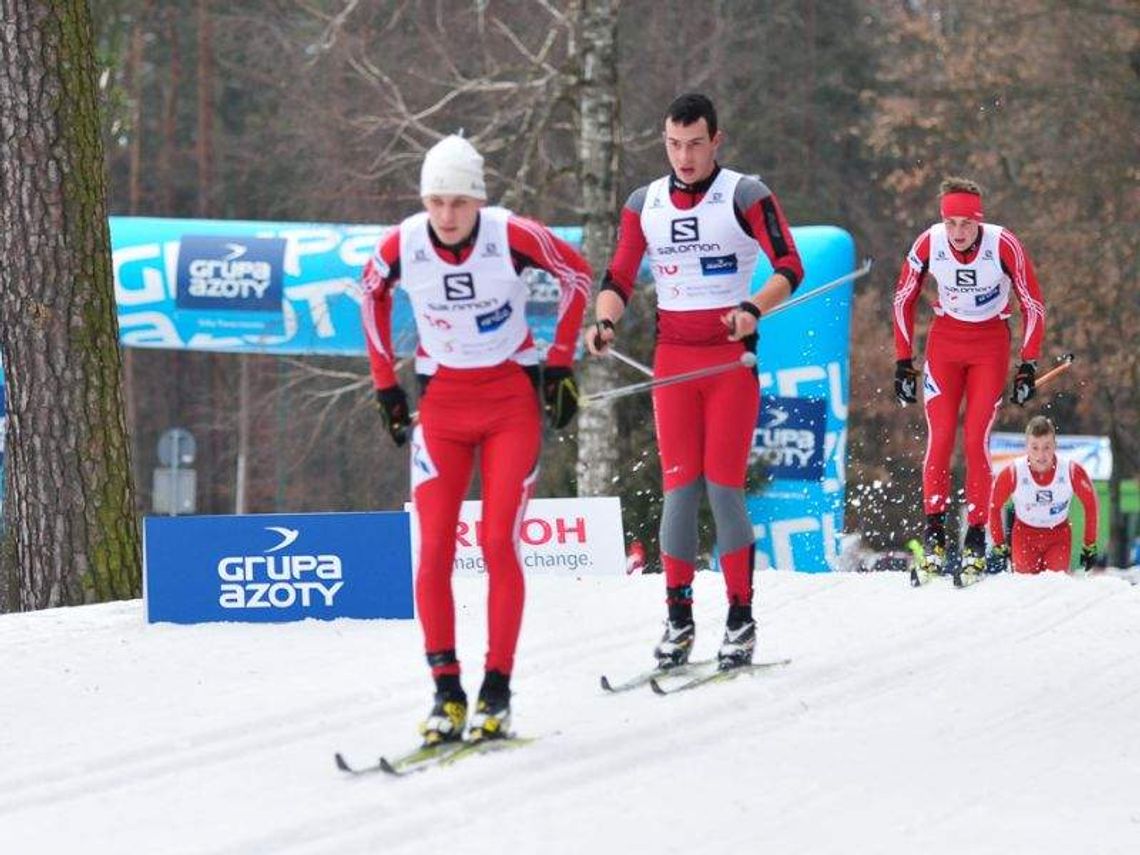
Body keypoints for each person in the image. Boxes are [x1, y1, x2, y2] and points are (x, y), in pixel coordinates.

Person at [360, 134, 590, 744]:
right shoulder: (404, 242)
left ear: (478, 201)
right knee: (433, 549)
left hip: (510, 402)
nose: (446, 215)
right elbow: (369, 292)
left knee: (496, 542)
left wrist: (560, 363)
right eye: (436, 201)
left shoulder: (510, 234)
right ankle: (446, 692)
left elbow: (577, 274)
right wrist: (385, 386)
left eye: (459, 202)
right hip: (442, 408)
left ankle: (497, 689)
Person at [585, 93, 803, 671]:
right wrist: (604, 322)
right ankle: (679, 620)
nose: (684, 157)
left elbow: (790, 266)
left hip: (730, 363)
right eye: (674, 145)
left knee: (723, 488)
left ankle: (740, 619)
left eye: (695, 144)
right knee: (679, 489)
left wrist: (753, 308)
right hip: (673, 364)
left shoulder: (745, 194)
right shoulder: (645, 203)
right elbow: (618, 276)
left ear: (716, 141)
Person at [892, 177, 1046, 580]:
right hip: (945, 343)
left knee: (976, 438)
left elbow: (1032, 303)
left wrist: (1028, 364)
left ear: (980, 220)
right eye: (951, 223)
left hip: (990, 346)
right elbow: (903, 298)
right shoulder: (929, 243)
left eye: (966, 223)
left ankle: (976, 539)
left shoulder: (1003, 243)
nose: (958, 232)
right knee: (941, 436)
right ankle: (935, 538)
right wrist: (903, 361)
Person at [987, 416, 1099, 573]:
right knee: (1026, 585)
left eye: (1047, 447)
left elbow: (1091, 505)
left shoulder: (1071, 471)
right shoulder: (1012, 473)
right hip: (1024, 537)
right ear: (1026, 447)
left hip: (1058, 536)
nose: (1041, 455)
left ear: (1055, 446)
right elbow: (993, 507)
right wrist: (999, 544)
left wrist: (1089, 544)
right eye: (1035, 447)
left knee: (1054, 584)